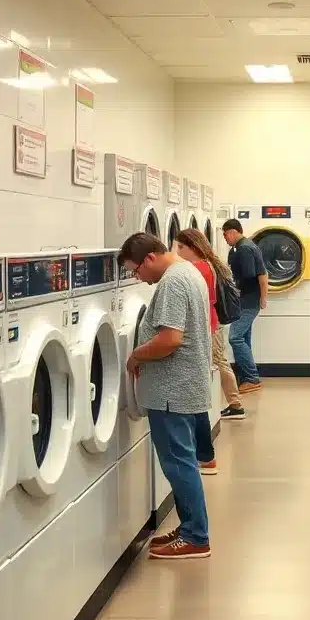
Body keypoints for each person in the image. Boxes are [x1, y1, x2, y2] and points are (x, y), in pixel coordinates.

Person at [119, 232, 213, 561]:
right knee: (182, 462)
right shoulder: (188, 270)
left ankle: (196, 536)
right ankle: (191, 526)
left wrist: (137, 356)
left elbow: (170, 339)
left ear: (149, 259)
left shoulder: (173, 281)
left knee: (179, 464)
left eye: (135, 271)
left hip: (171, 391)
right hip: (183, 385)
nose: (137, 277)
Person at [175, 227, 245, 470]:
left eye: (180, 247)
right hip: (212, 323)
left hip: (208, 326)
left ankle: (235, 403)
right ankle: (232, 403)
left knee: (218, 363)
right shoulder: (208, 264)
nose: (177, 252)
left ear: (190, 247)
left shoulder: (198, 269)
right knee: (219, 362)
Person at [221, 218, 268, 408]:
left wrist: (231, 288)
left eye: (225, 235)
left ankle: (252, 378)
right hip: (247, 301)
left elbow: (251, 277)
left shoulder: (244, 249)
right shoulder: (243, 247)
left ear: (233, 231)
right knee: (245, 338)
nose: (225, 239)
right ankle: (246, 378)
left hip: (248, 301)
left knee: (235, 337)